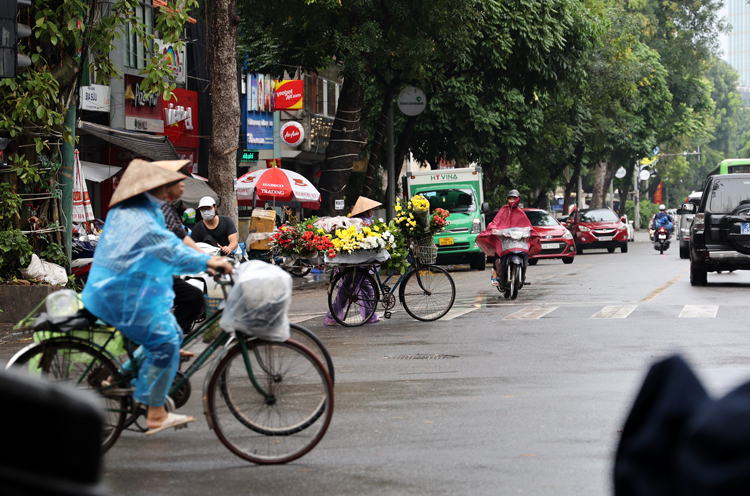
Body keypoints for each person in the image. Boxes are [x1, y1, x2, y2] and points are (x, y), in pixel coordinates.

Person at [81, 160, 233, 435]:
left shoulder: (145, 209)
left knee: (172, 332)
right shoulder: (141, 216)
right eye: (176, 179)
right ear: (160, 185)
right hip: (122, 293)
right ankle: (154, 413)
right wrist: (210, 263)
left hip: (131, 288)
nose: (182, 183)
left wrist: (204, 260)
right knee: (164, 342)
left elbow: (173, 244)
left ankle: (116, 378)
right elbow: (169, 251)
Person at [153, 162, 207, 337]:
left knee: (192, 297)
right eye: (179, 180)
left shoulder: (167, 208)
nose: (183, 184)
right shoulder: (158, 208)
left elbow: (183, 238)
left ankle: (169, 344)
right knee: (193, 297)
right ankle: (170, 344)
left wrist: (209, 259)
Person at [324, 196, 382, 326]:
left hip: (359, 263)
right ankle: (332, 316)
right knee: (349, 290)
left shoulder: (367, 221)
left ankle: (369, 315)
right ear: (365, 211)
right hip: (357, 263)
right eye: (371, 209)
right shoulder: (359, 222)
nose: (373, 211)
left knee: (362, 288)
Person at [475, 189, 536, 289]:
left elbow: (528, 226)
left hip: (517, 241)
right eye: (510, 198)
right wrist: (494, 229)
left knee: (525, 251)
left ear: (518, 199)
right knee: (498, 249)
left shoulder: (521, 213)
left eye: (514, 198)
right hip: (504, 239)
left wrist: (529, 233)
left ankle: (523, 271)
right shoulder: (503, 210)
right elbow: (496, 221)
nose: (512, 201)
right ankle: (495, 273)